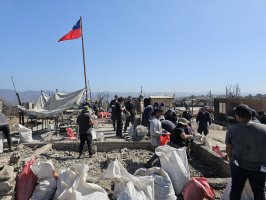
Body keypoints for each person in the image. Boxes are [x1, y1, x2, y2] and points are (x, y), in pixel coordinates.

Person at [225, 104, 266, 200]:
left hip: (239, 166)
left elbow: (228, 148)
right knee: (259, 192)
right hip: (260, 168)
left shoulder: (232, 129)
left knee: (236, 190)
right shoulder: (264, 128)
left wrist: (230, 158)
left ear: (238, 117)